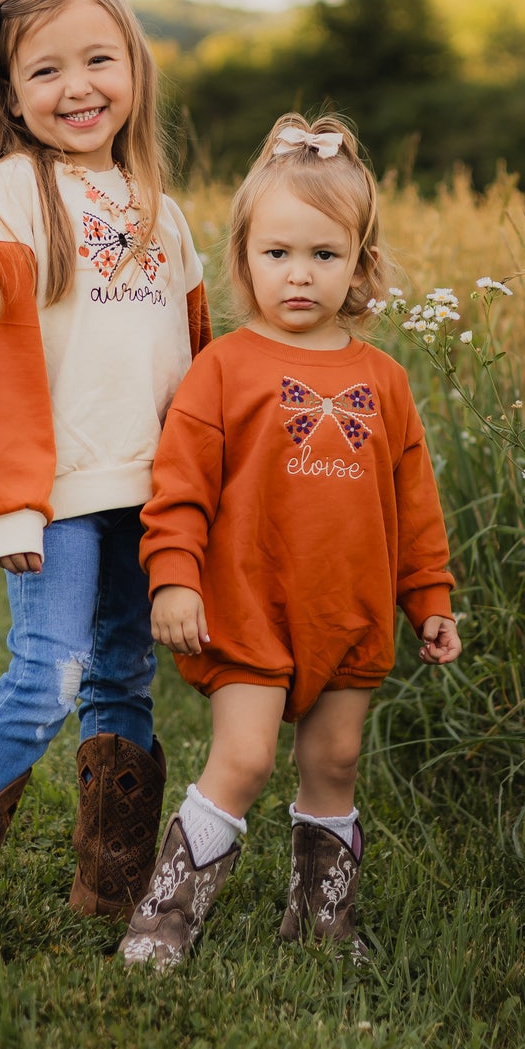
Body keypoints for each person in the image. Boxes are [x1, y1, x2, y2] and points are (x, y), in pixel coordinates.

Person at [0, 0, 211, 968]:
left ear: (135, 69)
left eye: (98, 60)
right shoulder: (7, 195)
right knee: (49, 673)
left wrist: (207, 498)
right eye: (44, 70)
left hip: (151, 491)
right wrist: (11, 506)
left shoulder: (163, 212)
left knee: (125, 674)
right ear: (6, 88)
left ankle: (109, 886)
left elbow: (199, 372)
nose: (76, 87)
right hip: (59, 492)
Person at [121, 114, 460, 968]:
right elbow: (178, 489)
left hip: (349, 612)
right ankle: (164, 918)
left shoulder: (384, 381)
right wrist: (173, 577)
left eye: (323, 254)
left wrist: (429, 598)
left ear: (360, 264)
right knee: (243, 760)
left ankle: (319, 920)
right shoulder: (223, 368)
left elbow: (413, 504)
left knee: (336, 760)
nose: (299, 274)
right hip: (248, 610)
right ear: (243, 259)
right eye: (277, 253)